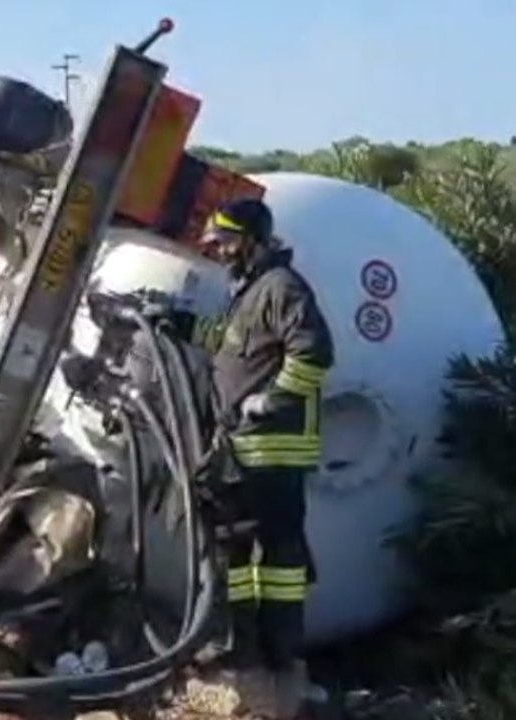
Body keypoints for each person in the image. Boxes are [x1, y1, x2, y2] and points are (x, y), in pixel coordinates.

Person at [192, 197, 335, 719]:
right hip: (242, 450)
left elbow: (314, 354)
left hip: (271, 452)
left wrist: (268, 402)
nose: (221, 251)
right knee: (242, 553)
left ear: (254, 240)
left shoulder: (281, 287)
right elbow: (232, 352)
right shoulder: (249, 291)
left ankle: (271, 657)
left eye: (228, 241)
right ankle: (248, 651)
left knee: (271, 559)